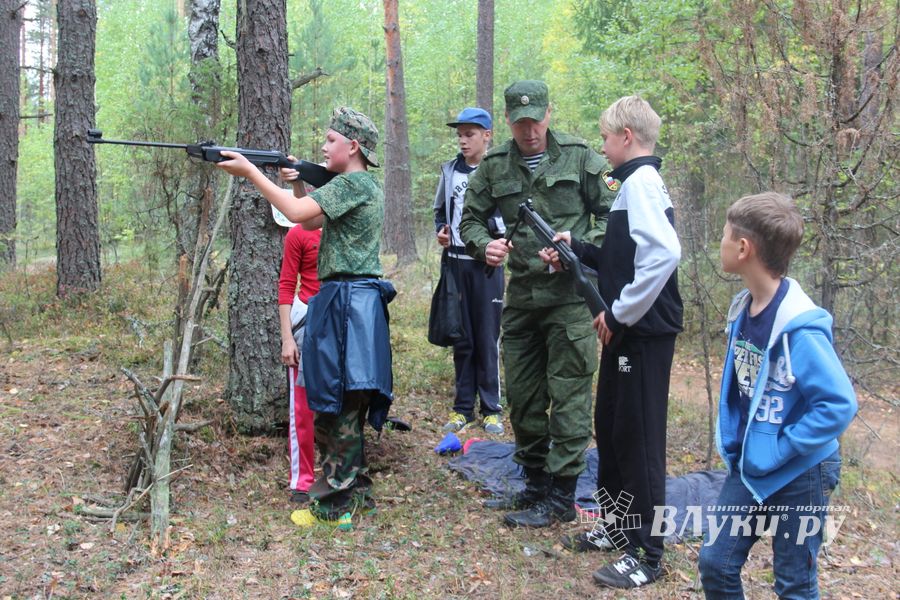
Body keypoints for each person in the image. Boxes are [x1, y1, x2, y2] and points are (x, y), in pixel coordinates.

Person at [216, 107, 394, 527]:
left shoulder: (355, 183)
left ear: (352, 147)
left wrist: (251, 174)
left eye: (330, 140)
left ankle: (335, 504)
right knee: (335, 400)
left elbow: (296, 217)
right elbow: (310, 218)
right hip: (342, 302)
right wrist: (298, 180)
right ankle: (353, 494)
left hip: (349, 303)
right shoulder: (354, 185)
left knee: (343, 402)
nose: (322, 146)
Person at [459, 80, 614, 528]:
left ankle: (563, 494)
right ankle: (533, 486)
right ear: (507, 121)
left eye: (536, 120)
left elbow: (613, 213)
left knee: (568, 394)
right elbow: (469, 218)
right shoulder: (494, 166)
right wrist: (483, 245)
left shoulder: (582, 157)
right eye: (520, 123)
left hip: (569, 299)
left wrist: (580, 246)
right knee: (524, 395)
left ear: (550, 115)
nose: (529, 131)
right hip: (522, 297)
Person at [543, 96, 683, 589]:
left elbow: (664, 253)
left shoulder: (642, 182)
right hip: (629, 331)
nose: (602, 147)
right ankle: (618, 525)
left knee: (640, 437)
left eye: (606, 137)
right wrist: (578, 249)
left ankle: (648, 552)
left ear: (626, 136)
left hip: (644, 334)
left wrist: (619, 313)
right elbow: (625, 257)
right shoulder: (633, 186)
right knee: (613, 425)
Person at [697, 192, 857, 599]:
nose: (720, 242)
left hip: (803, 470)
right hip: (752, 466)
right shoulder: (743, 308)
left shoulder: (800, 328)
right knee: (716, 564)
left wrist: (782, 446)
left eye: (724, 234)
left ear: (744, 248)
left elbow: (839, 404)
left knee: (794, 583)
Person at [432, 107, 505, 435]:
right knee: (462, 336)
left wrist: (497, 237)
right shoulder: (449, 172)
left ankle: (491, 408)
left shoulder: (498, 171)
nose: (463, 140)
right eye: (459, 134)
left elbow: (510, 218)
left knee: (487, 337)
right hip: (456, 263)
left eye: (470, 134)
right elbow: (439, 211)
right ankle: (463, 408)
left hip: (487, 265)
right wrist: (442, 231)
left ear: (486, 135)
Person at [275, 189, 321, 504]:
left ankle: (340, 473)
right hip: (306, 320)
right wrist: (287, 337)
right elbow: (286, 285)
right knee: (302, 407)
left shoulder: (345, 226)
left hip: (342, 320)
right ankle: (303, 480)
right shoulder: (297, 234)